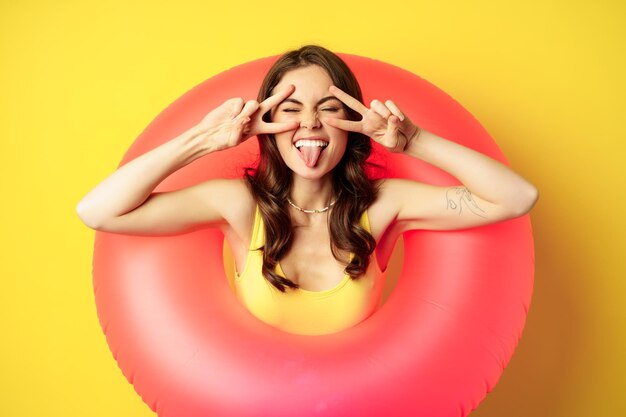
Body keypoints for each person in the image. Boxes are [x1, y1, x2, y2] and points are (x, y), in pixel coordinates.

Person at [76, 45, 539, 335]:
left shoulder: (384, 206)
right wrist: (206, 140)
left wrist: (414, 140)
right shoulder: (239, 206)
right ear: (270, 125)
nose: (310, 123)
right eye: (292, 109)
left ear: (353, 124)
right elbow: (99, 211)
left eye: (328, 108)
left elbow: (517, 197)